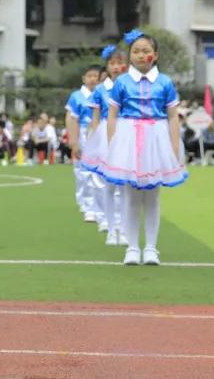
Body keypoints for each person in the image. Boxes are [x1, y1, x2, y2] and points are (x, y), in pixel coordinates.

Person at [99, 29, 188, 266]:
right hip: (128, 136)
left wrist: (173, 146)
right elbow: (112, 115)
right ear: (130, 56)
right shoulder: (122, 82)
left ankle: (151, 248)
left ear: (155, 55)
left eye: (145, 51)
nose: (140, 55)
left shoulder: (165, 82)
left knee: (153, 196)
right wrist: (113, 144)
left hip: (156, 136)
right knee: (130, 196)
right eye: (136, 51)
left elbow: (172, 117)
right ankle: (131, 247)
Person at [83, 44, 128, 245]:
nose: (116, 67)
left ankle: (125, 228)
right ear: (107, 67)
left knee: (125, 183)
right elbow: (94, 118)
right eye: (112, 63)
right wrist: (92, 140)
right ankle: (110, 225)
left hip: (126, 131)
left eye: (120, 63)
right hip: (103, 133)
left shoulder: (130, 86)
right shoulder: (100, 89)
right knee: (105, 182)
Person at [66, 66, 102, 222]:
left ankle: (99, 205)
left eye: (96, 76)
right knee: (83, 171)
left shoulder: (103, 94)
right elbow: (71, 118)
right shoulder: (77, 96)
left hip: (101, 133)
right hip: (83, 133)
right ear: (84, 79)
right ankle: (86, 204)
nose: (93, 79)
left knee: (99, 171)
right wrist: (73, 141)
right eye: (90, 76)